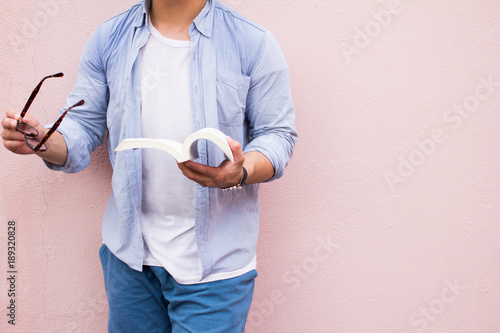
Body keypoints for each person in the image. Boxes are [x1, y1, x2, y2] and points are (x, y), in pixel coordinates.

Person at [1, 0, 297, 331]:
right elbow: (82, 128)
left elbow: (277, 136)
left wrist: (238, 173)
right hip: (129, 264)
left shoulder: (252, 42)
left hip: (216, 271)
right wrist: (41, 141)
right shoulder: (108, 39)